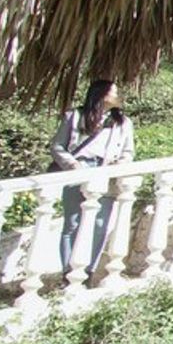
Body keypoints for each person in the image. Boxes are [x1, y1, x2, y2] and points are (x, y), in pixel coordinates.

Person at [49, 79, 134, 274]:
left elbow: (128, 151)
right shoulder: (75, 116)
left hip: (105, 172)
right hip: (78, 170)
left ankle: (88, 271)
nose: (117, 96)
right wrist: (72, 164)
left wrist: (120, 164)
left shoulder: (122, 122)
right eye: (114, 92)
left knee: (100, 224)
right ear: (101, 94)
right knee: (72, 223)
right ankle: (67, 271)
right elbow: (57, 146)